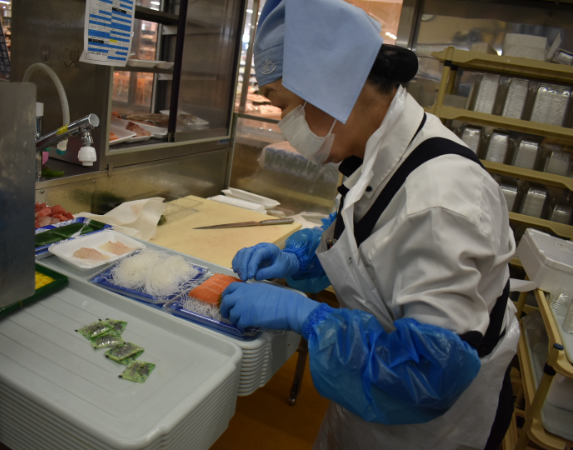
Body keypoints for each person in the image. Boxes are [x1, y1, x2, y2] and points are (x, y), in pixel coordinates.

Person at [220, 1, 520, 449]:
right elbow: (367, 241)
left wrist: (309, 317)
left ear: (332, 83)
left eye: (285, 106)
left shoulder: (441, 199)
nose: (286, 126)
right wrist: (297, 259)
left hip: (429, 429)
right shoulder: (384, 155)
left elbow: (430, 372)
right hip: (368, 389)